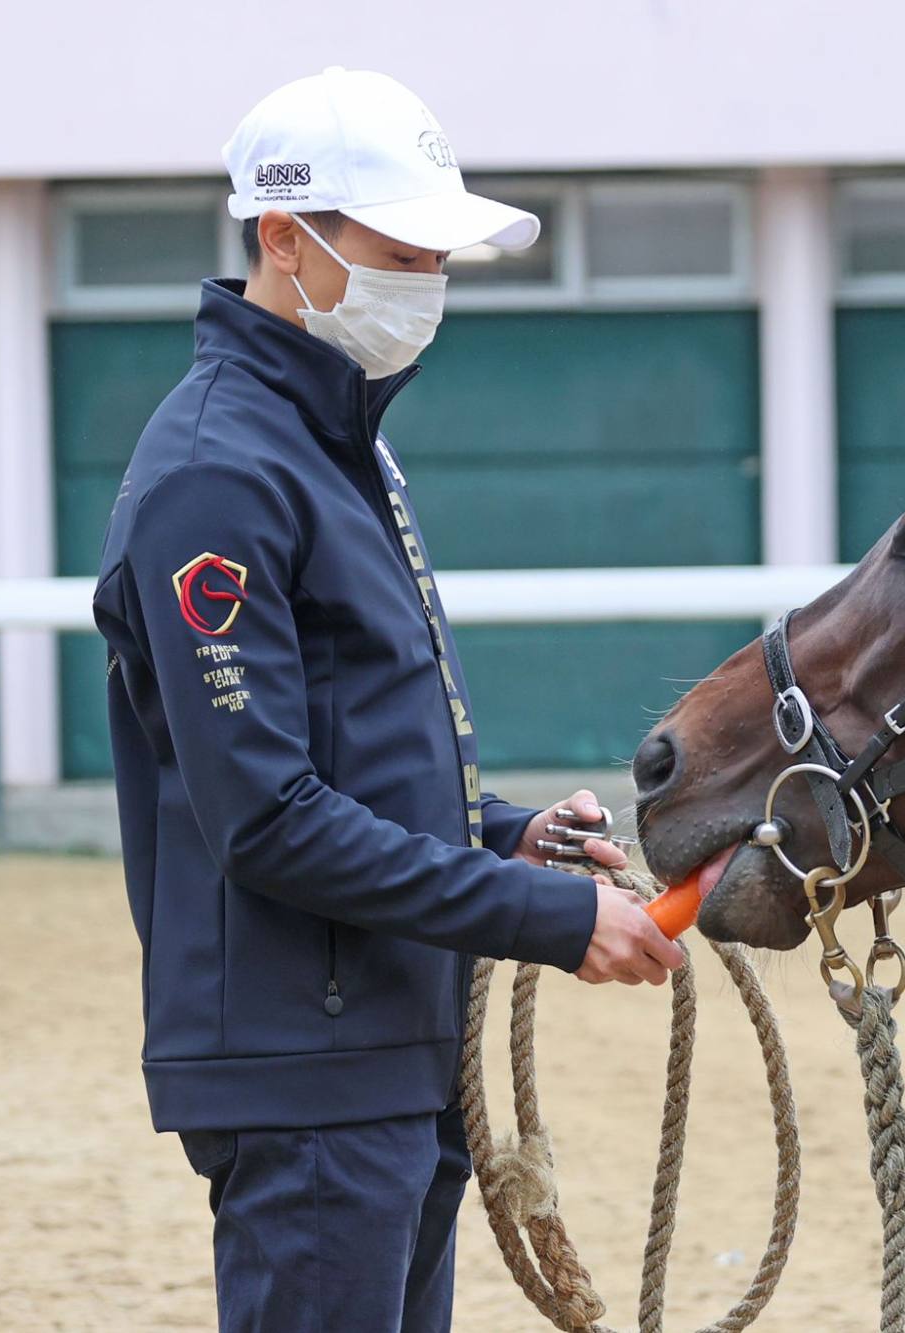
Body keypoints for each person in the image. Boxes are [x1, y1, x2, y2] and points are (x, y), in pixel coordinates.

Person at [90, 67, 685, 1332]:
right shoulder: (216, 475)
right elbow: (268, 816)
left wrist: (505, 833)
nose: (427, 276)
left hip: (392, 1045)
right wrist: (542, 914)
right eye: (400, 246)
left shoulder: (339, 446)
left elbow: (357, 761)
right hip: (305, 1067)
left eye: (436, 251)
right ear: (285, 242)